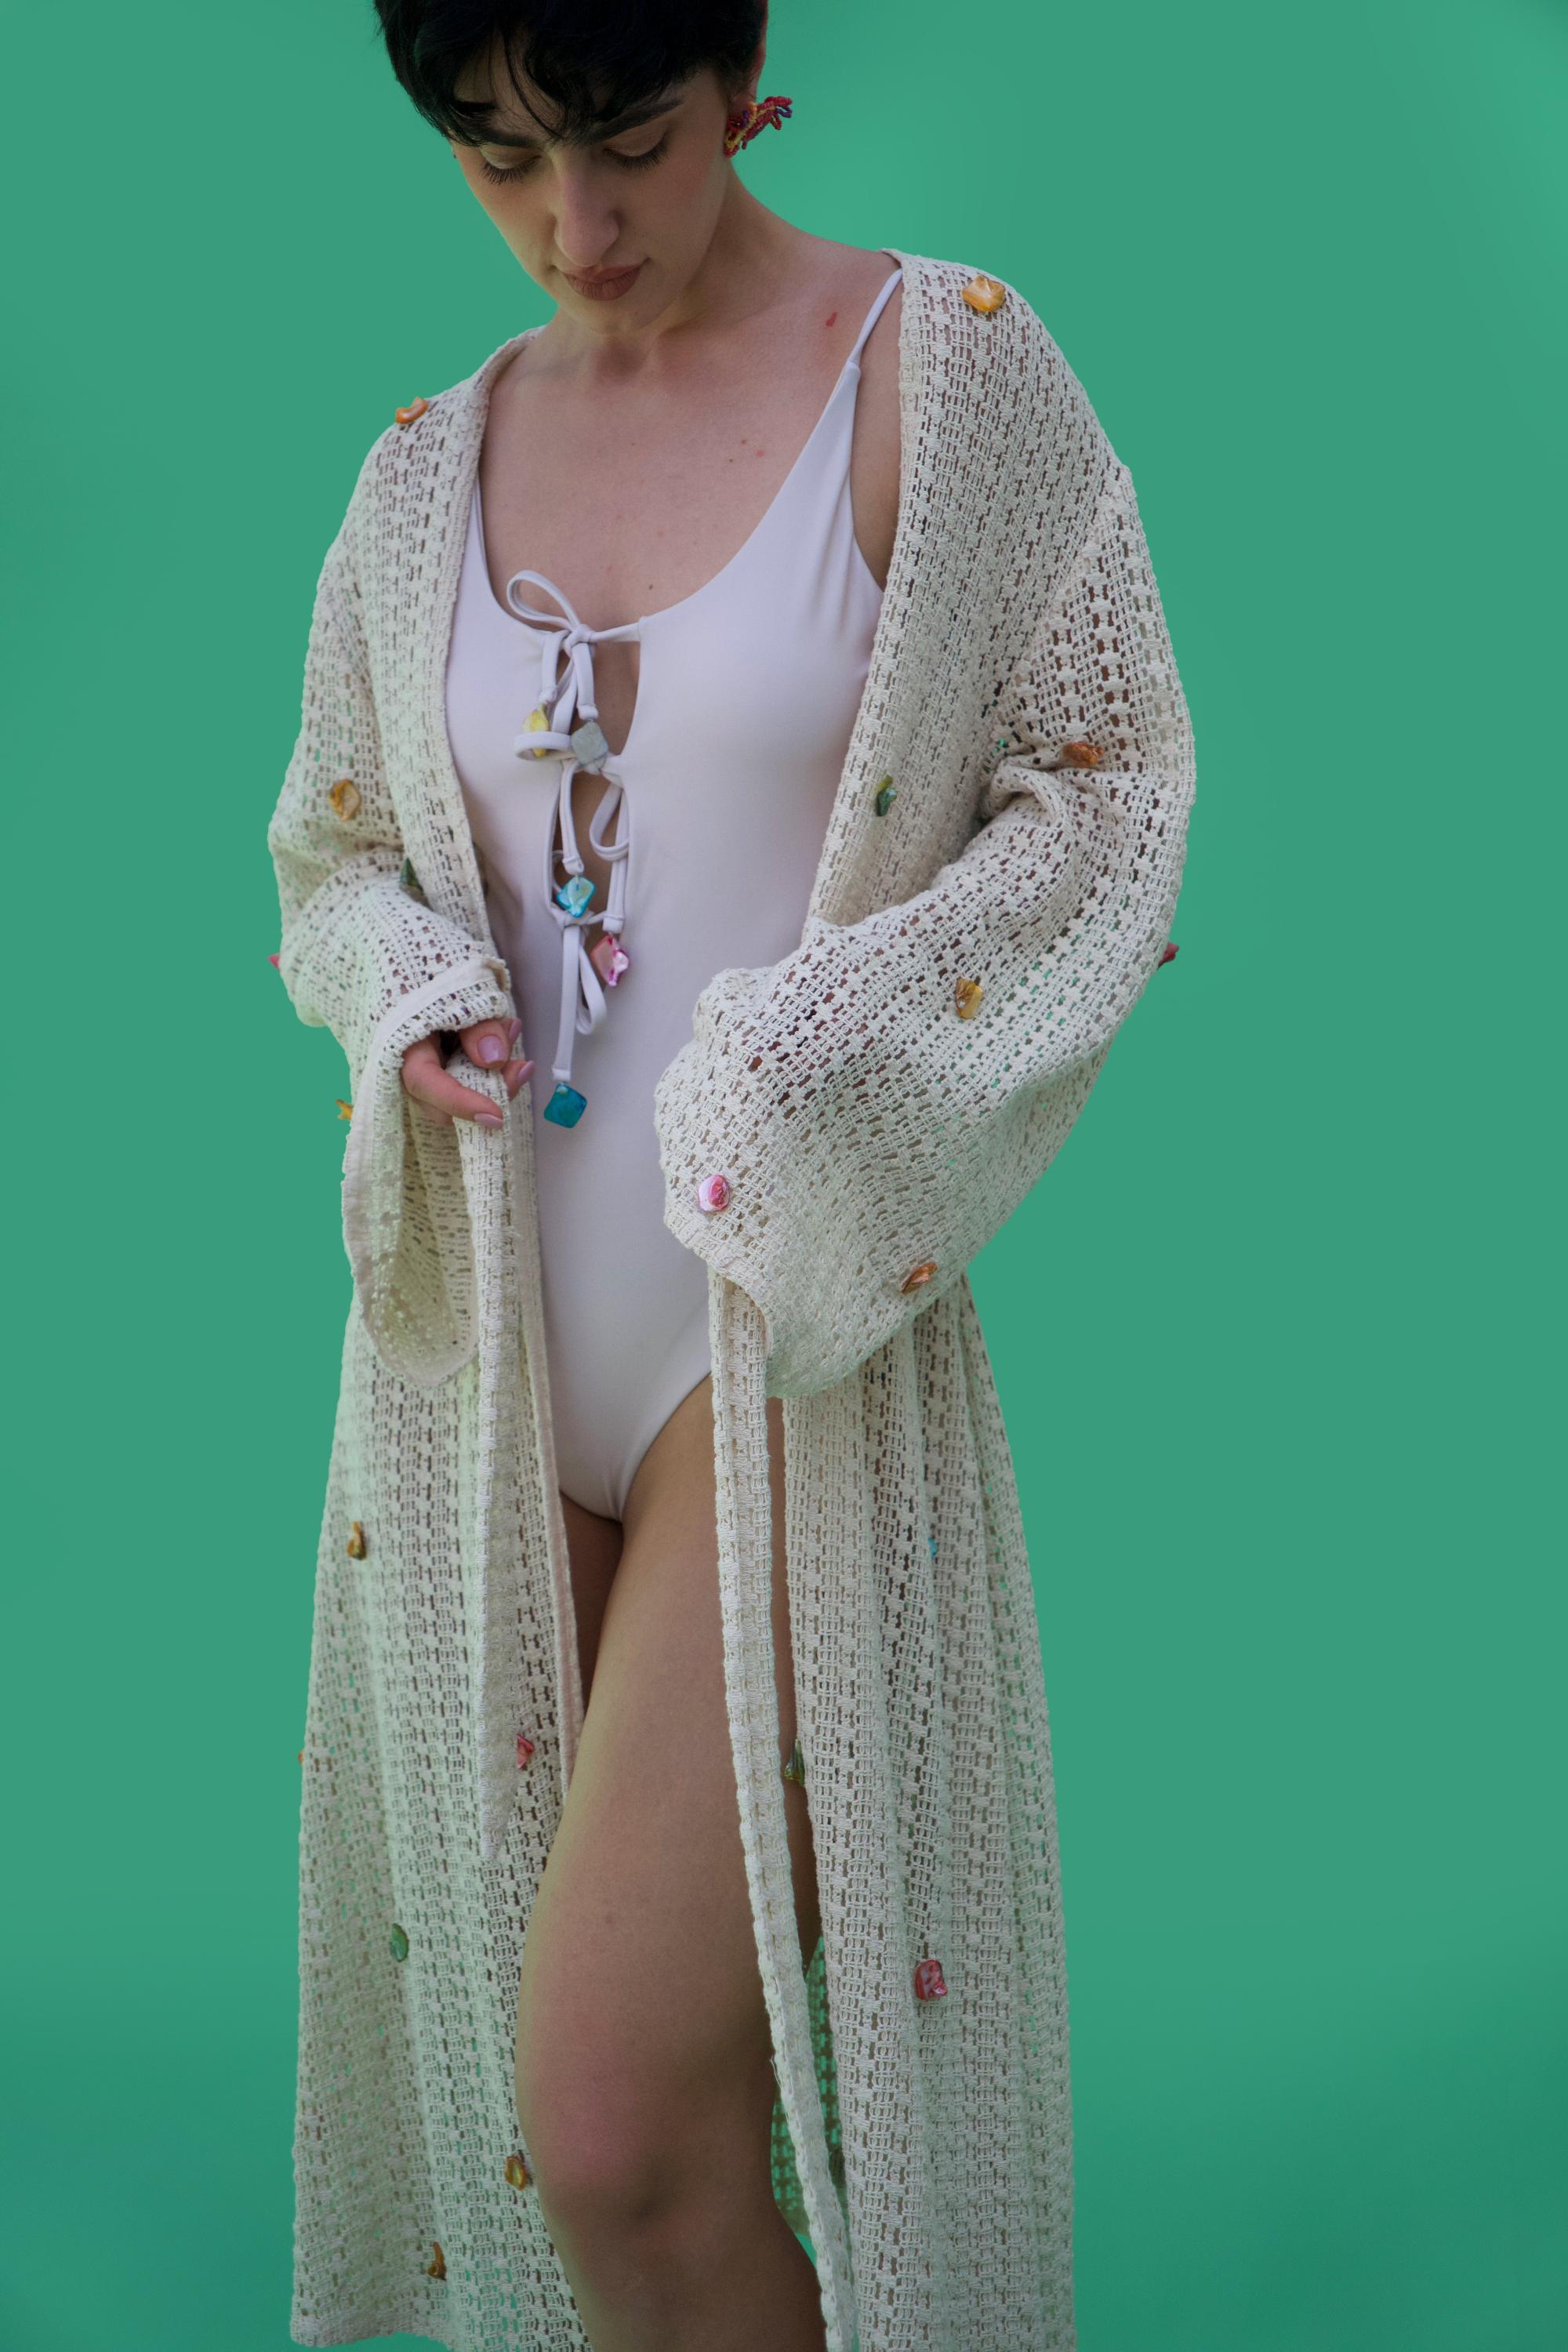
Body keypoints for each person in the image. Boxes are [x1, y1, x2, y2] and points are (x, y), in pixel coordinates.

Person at [267, 5, 1196, 2348]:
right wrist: (402, 981)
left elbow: (1109, 800)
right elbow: (331, 855)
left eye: (626, 138)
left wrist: (811, 1045)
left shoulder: (940, 377)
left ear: (744, 71)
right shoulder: (421, 474)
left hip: (770, 1341)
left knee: (612, 2129)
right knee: (554, 2141)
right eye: (498, 157)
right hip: (482, 1379)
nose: (574, 224)